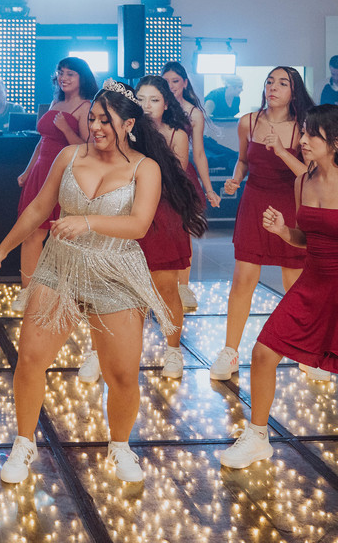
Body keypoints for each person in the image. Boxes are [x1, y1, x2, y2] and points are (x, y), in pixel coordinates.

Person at [0, 80, 185, 485]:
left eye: (105, 121)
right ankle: (24, 443)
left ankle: (120, 445)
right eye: (92, 118)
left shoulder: (145, 168)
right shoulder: (69, 156)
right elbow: (39, 208)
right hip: (60, 267)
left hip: (116, 272)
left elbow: (139, 224)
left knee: (122, 374)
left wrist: (88, 221)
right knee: (30, 359)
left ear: (128, 124)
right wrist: (3, 249)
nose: (95, 127)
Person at [220, 104, 338, 480]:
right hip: (311, 283)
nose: (302, 140)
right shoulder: (302, 182)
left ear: (335, 141)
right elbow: (307, 238)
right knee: (263, 352)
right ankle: (257, 436)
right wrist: (283, 231)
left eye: (310, 135)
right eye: (302, 133)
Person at [211, 67, 321, 382]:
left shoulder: (304, 126)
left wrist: (281, 152)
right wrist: (235, 179)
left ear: (294, 91)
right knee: (243, 279)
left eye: (282, 83)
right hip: (254, 203)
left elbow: (309, 175)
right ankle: (230, 351)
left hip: (290, 204)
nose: (273, 87)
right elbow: (243, 160)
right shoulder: (249, 121)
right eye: (269, 82)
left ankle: (306, 350)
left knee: (295, 283)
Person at [126, 75, 208, 379]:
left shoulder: (176, 135)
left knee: (166, 287)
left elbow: (175, 179)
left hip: (163, 213)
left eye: (155, 100)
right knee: (128, 288)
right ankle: (123, 351)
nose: (147, 106)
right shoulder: (125, 131)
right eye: (141, 99)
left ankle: (173, 350)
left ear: (166, 104)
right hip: (127, 211)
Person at [14, 57, 96, 296]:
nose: (64, 77)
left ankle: (65, 293)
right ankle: (28, 293)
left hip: (65, 175)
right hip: (41, 172)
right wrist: (27, 171)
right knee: (30, 233)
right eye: (61, 72)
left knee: (62, 236)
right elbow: (42, 142)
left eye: (70, 73)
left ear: (82, 78)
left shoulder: (86, 107)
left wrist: (66, 129)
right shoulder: (55, 102)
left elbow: (88, 149)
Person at [161, 62, 222, 310]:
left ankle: (183, 287)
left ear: (185, 83)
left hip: (182, 174)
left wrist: (209, 189)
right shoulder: (155, 106)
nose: (171, 86)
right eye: (166, 82)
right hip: (155, 172)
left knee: (183, 229)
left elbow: (198, 153)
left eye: (175, 81)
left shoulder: (193, 112)